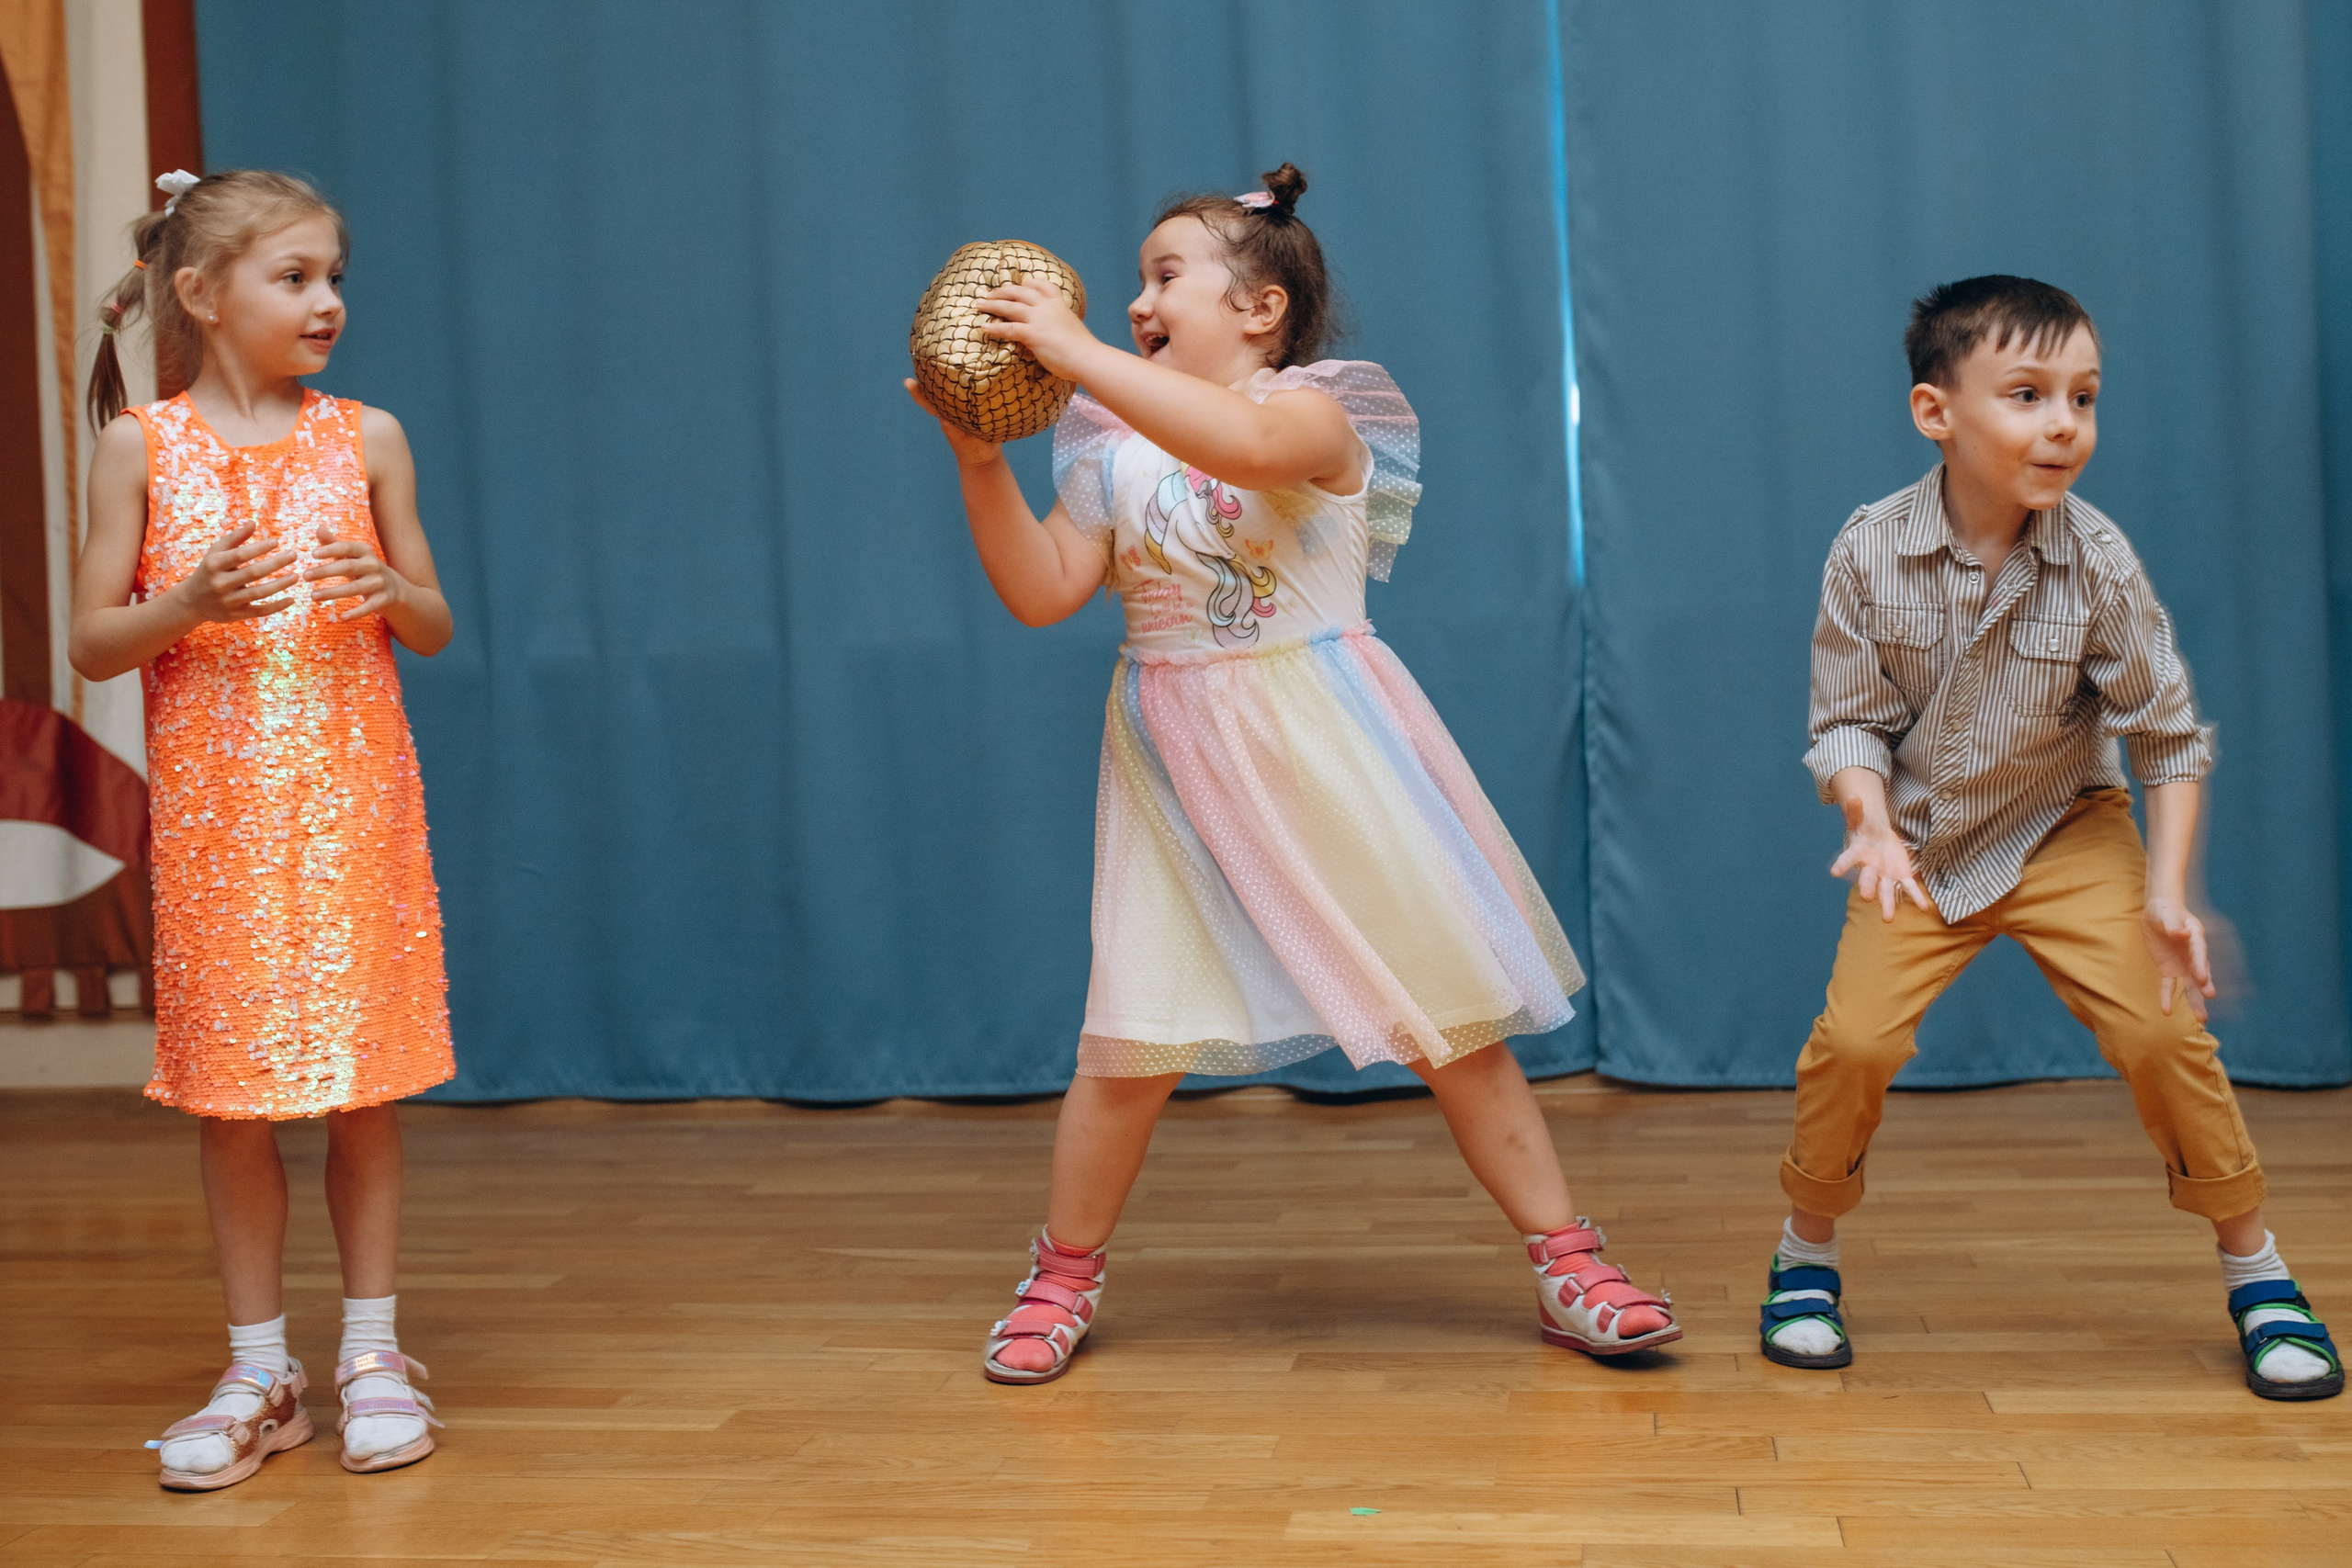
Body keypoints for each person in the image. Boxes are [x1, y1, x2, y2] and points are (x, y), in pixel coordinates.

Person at [907, 163, 1677, 1384]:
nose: (1135, 299)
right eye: (1137, 280)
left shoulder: (1322, 410)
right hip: (1172, 762)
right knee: (1128, 1047)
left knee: (1454, 1024)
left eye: (1166, 275)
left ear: (1260, 309)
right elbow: (1045, 590)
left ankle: (1567, 1260)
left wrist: (1076, 353)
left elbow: (1249, 448)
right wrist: (978, 462)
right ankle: (1062, 1272)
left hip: (1324, 745)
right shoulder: (1108, 444)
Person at [1759, 275, 2340, 1402]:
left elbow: (2168, 739)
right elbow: (1845, 724)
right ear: (1935, 412)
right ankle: (1804, 1254)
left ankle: (2259, 1272)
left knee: (2163, 1036)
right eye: (2027, 394)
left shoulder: (2098, 561)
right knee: (1854, 1045)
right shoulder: (1867, 550)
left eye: (2083, 396)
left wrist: (2168, 893)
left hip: (2065, 830)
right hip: (1919, 845)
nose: (2063, 423)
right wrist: (1869, 821)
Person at [71, 169, 459, 1487]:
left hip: (355, 818)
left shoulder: (369, 437)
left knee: (361, 1088)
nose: (327, 300)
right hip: (220, 834)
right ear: (199, 293)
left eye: (333, 276)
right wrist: (185, 603)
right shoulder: (141, 447)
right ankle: (259, 1369)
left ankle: (372, 1351)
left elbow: (432, 623)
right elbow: (91, 643)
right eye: (294, 277)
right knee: (232, 1100)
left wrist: (389, 584)